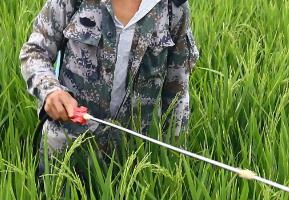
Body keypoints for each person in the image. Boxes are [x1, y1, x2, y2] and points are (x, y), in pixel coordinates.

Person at [20, 0, 199, 177]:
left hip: (132, 159)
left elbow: (177, 92)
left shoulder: (172, 8)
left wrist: (175, 158)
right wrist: (50, 91)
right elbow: (35, 51)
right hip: (66, 145)